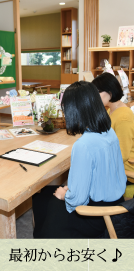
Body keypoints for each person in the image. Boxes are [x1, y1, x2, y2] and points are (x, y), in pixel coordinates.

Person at [32, 81, 127, 239]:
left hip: (97, 215)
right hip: (116, 202)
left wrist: (63, 194)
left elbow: (77, 199)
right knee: (47, 196)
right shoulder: (109, 131)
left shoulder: (84, 145)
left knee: (48, 199)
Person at [92, 72, 134, 184]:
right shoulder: (111, 110)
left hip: (123, 169)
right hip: (112, 163)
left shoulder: (123, 116)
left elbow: (122, 155)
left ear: (110, 92)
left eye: (97, 93)